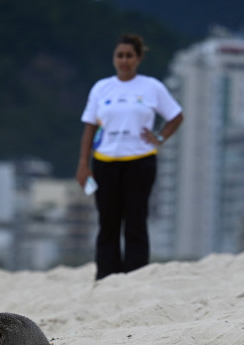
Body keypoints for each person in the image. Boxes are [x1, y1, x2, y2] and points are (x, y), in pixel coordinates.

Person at [76, 33, 184, 281]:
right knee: (108, 222)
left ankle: (135, 276)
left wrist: (159, 137)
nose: (124, 60)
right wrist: (83, 163)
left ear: (138, 58)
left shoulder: (151, 87)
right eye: (120, 55)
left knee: (136, 220)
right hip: (105, 162)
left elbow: (176, 115)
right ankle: (106, 276)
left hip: (140, 161)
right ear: (114, 58)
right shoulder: (101, 88)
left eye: (129, 56)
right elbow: (89, 127)